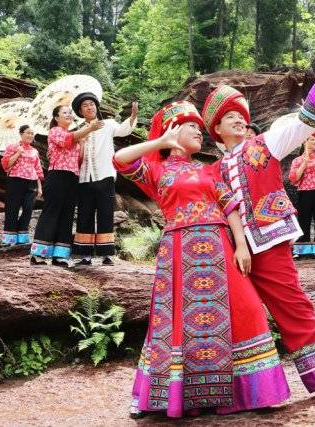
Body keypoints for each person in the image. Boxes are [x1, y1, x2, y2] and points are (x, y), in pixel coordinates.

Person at [113, 101, 290, 419]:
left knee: (246, 309)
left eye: (199, 126)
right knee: (175, 323)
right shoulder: (156, 170)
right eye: (191, 125)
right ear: (173, 130)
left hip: (221, 248)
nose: (199, 131)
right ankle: (170, 395)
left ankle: (252, 391)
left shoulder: (209, 169)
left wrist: (241, 246)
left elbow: (231, 207)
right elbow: (119, 159)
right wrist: (160, 143)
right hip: (179, 251)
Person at [202, 52, 315, 406]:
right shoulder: (213, 170)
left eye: (242, 116)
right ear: (217, 130)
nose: (239, 121)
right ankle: (245, 389)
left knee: (293, 305)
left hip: (270, 239)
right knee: (238, 314)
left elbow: (303, 123)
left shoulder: (264, 144)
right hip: (232, 249)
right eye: (230, 118)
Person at [70, 93, 138, 266]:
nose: (89, 107)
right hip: (84, 177)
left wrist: (133, 116)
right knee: (85, 214)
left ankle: (106, 254)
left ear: (96, 107)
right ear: (80, 111)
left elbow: (124, 130)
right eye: (85, 105)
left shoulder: (108, 124)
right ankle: (85, 255)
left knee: (105, 214)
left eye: (92, 104)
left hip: (105, 174)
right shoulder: (78, 130)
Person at [30, 105, 102, 266]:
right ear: (56, 118)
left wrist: (82, 142)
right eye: (65, 113)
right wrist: (88, 129)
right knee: (51, 212)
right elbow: (67, 141)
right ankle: (38, 255)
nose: (69, 114)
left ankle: (59, 255)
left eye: (70, 112)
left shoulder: (74, 135)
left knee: (67, 215)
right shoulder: (55, 131)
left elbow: (79, 160)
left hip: (72, 177)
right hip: (57, 176)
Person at [0, 125, 44, 245]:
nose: (30, 135)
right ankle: (9, 238)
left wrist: (39, 187)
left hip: (31, 183)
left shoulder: (34, 151)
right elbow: (6, 165)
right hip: (15, 180)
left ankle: (22, 235)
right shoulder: (13, 147)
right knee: (12, 209)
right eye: (28, 133)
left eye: (32, 133)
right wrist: (18, 152)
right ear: (21, 133)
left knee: (28, 209)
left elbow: (37, 169)